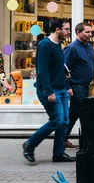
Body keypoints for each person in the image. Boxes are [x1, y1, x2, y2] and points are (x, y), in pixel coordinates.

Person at [22, 19, 74, 163]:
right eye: (66, 29)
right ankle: (30, 144)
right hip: (50, 90)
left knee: (64, 121)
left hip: (61, 88)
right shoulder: (45, 45)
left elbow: (61, 66)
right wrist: (49, 91)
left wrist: (68, 85)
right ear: (57, 30)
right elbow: (42, 71)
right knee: (57, 120)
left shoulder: (59, 44)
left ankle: (58, 153)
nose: (68, 32)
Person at [63, 22, 94, 149]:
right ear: (78, 33)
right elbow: (63, 69)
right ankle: (87, 143)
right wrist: (68, 86)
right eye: (87, 32)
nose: (90, 35)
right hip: (76, 86)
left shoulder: (89, 46)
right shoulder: (71, 48)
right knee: (85, 114)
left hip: (85, 86)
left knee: (72, 115)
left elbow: (93, 64)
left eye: (91, 32)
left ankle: (62, 140)